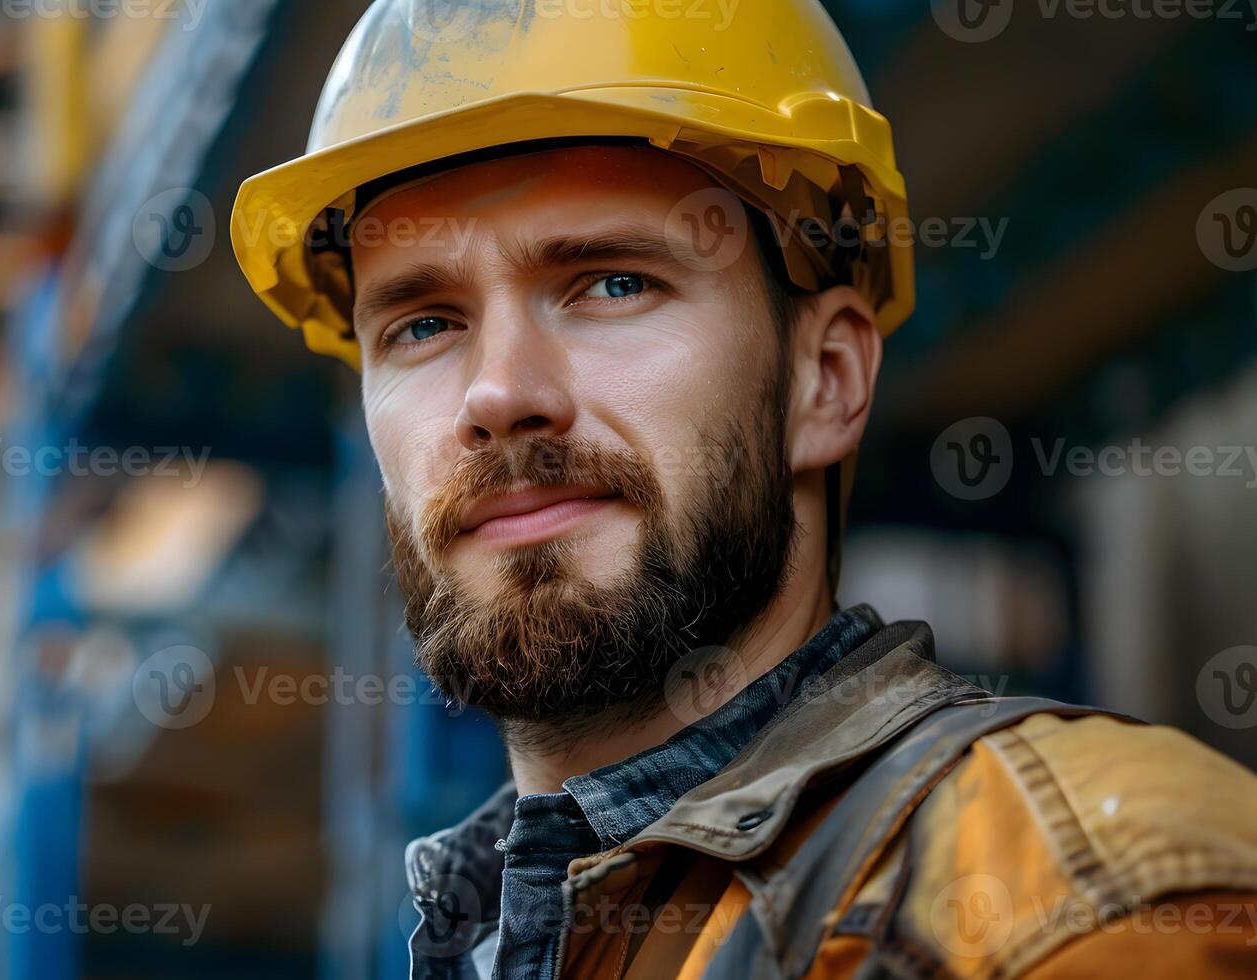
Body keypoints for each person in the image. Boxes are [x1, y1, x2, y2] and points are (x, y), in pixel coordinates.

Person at [230, 1, 1257, 976]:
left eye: (613, 282)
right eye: (421, 322)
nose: (499, 393)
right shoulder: (490, 928)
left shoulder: (1083, 908)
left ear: (826, 380)